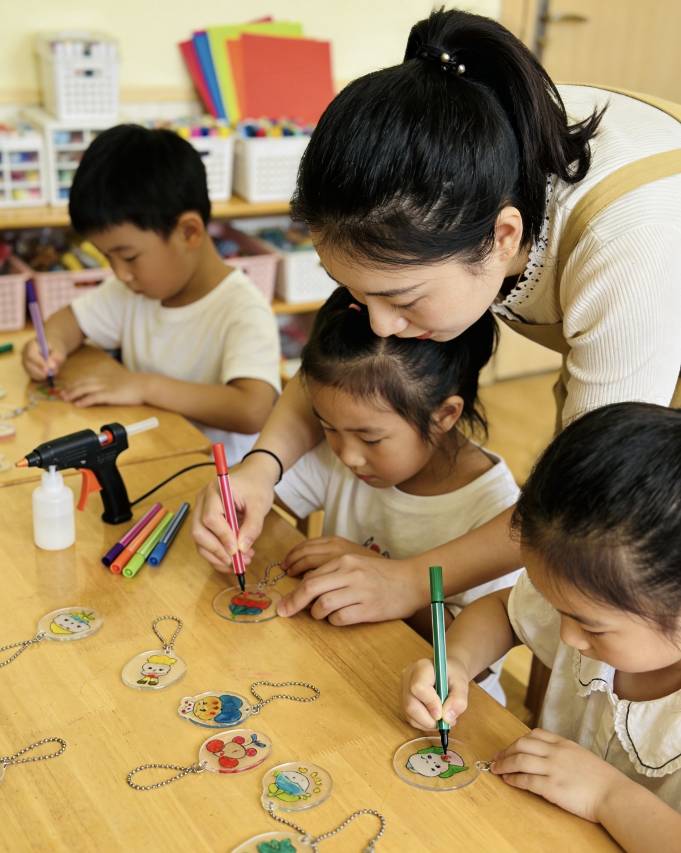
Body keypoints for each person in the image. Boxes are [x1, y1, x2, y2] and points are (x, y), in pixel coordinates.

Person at [192, 9, 681, 623]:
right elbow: (338, 368)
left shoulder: (631, 247)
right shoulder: (467, 170)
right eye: (353, 293)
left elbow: (586, 493)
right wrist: (260, 468)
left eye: (402, 299)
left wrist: (409, 582)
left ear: (505, 237)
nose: (378, 326)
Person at [213, 287, 521, 697]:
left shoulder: (497, 512)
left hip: (434, 706)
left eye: (371, 439)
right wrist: (231, 506)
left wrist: (390, 582)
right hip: (337, 674)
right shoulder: (340, 455)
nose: (349, 456)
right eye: (327, 427)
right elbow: (261, 502)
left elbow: (474, 667)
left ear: (445, 415)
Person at [402, 402, 681, 850]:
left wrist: (608, 795)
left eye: (592, 627)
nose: (567, 637)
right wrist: (454, 662)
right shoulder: (597, 604)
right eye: (557, 608)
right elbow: (502, 611)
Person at [22, 124, 280, 461]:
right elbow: (69, 321)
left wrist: (143, 385)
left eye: (128, 256)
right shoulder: (131, 290)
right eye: (107, 257)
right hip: (150, 456)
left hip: (216, 484)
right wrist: (48, 346)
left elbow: (252, 410)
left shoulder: (242, 309)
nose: (119, 272)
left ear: (189, 232)